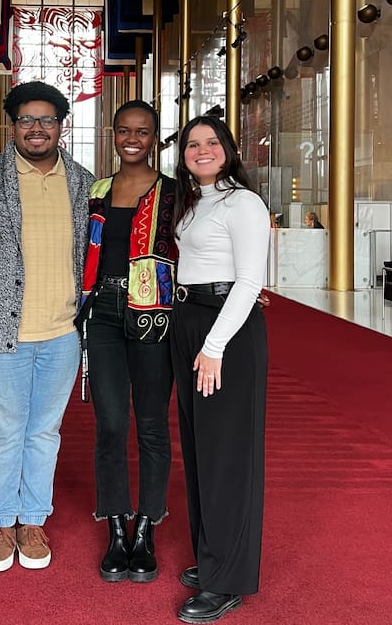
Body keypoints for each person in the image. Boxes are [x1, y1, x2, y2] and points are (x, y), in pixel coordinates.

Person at [0, 81, 94, 572]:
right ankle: (1, 523)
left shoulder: (85, 182)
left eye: (47, 120)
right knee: (3, 430)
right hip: (3, 331)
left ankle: (33, 519)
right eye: (27, 120)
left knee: (45, 431)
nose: (37, 128)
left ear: (62, 126)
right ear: (11, 126)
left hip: (63, 332)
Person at [170, 115, 270, 624]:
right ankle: (213, 555)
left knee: (228, 455)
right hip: (190, 322)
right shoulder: (194, 202)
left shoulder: (243, 202)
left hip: (223, 332)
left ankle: (227, 578)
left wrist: (213, 346)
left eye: (212, 143)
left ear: (228, 151)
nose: (202, 150)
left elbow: (250, 280)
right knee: (200, 448)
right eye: (193, 144)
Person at [76, 100, 177, 584]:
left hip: (153, 314)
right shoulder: (96, 190)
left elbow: (196, 247)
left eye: (142, 131)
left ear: (154, 137)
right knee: (111, 424)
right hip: (104, 315)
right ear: (113, 135)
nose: (132, 138)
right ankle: (116, 525)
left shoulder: (175, 193)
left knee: (152, 424)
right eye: (124, 130)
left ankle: (147, 528)